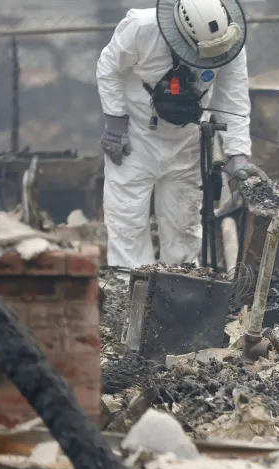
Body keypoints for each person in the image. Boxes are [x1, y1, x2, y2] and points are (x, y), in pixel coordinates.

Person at [96, 0, 257, 270]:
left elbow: (234, 101)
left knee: (183, 222)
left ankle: (178, 288)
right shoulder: (142, 28)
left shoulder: (229, 46)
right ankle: (128, 289)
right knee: (127, 217)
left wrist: (237, 154)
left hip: (188, 139)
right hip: (137, 134)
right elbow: (109, 67)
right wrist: (115, 121)